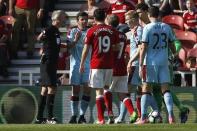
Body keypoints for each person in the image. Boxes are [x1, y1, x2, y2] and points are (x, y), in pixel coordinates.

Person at [136, 6, 176, 124]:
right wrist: (174, 54)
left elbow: (143, 47)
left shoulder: (147, 28)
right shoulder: (166, 27)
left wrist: (140, 64)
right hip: (163, 61)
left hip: (150, 63)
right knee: (165, 89)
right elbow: (172, 44)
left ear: (149, 15)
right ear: (158, 15)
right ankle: (171, 116)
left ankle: (143, 117)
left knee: (146, 89)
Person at [79, 8, 119, 124]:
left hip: (96, 63)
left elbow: (86, 49)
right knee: (107, 88)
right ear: (105, 16)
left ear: (94, 18)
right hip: (109, 64)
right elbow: (117, 47)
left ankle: (101, 119)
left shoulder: (91, 30)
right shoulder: (112, 30)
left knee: (98, 92)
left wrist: (82, 63)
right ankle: (110, 112)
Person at [105, 14, 138, 124]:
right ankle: (132, 112)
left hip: (112, 67)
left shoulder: (110, 34)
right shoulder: (123, 35)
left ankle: (110, 113)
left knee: (107, 90)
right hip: (122, 67)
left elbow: (111, 49)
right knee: (123, 93)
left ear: (108, 23)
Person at [35, 10, 66, 124]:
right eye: (63, 17)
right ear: (57, 19)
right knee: (52, 87)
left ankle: (39, 117)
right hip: (47, 62)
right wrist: (43, 48)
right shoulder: (49, 29)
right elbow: (39, 38)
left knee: (44, 89)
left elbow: (53, 44)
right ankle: (49, 117)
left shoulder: (57, 31)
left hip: (52, 62)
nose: (64, 19)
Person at [60, 12, 92, 124]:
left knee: (87, 90)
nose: (84, 21)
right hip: (75, 65)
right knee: (76, 91)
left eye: (86, 19)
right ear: (77, 20)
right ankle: (74, 116)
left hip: (88, 65)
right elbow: (67, 47)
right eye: (82, 19)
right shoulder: (72, 31)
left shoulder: (91, 31)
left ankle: (82, 116)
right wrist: (76, 40)